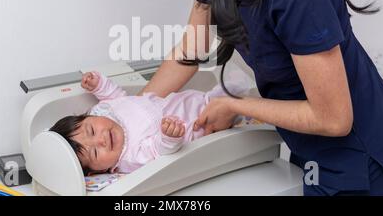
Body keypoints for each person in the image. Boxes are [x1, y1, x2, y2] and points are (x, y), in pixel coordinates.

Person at [131, 0, 383, 196]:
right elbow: (192, 49)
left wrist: (234, 105)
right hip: (306, 142)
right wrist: (130, 114)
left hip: (358, 153)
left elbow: (334, 119)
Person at [50, 71, 250, 175]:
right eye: (94, 153)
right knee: (224, 112)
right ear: (100, 170)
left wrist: (99, 85)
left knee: (221, 93)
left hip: (183, 101)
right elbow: (158, 151)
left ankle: (233, 101)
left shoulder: (105, 111)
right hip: (196, 126)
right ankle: (241, 113)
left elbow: (117, 96)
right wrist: (169, 137)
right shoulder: (129, 157)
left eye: (92, 130)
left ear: (88, 117)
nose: (101, 140)